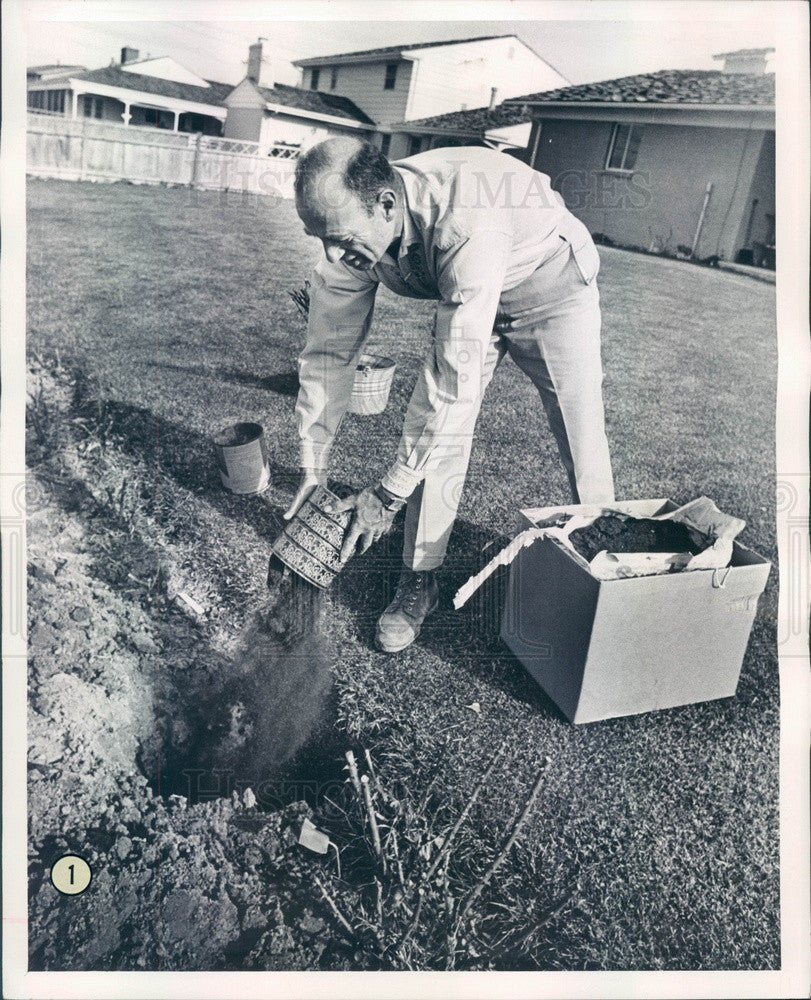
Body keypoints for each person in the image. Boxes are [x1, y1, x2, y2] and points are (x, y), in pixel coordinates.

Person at [285, 137, 614, 653]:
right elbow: (328, 352)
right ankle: (421, 577)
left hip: (551, 289)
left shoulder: (465, 217)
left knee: (581, 435)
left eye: (338, 237)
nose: (331, 253)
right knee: (443, 441)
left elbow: (451, 379)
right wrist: (313, 464)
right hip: (469, 291)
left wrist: (387, 494)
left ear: (387, 206)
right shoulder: (354, 229)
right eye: (317, 237)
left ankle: (609, 583)